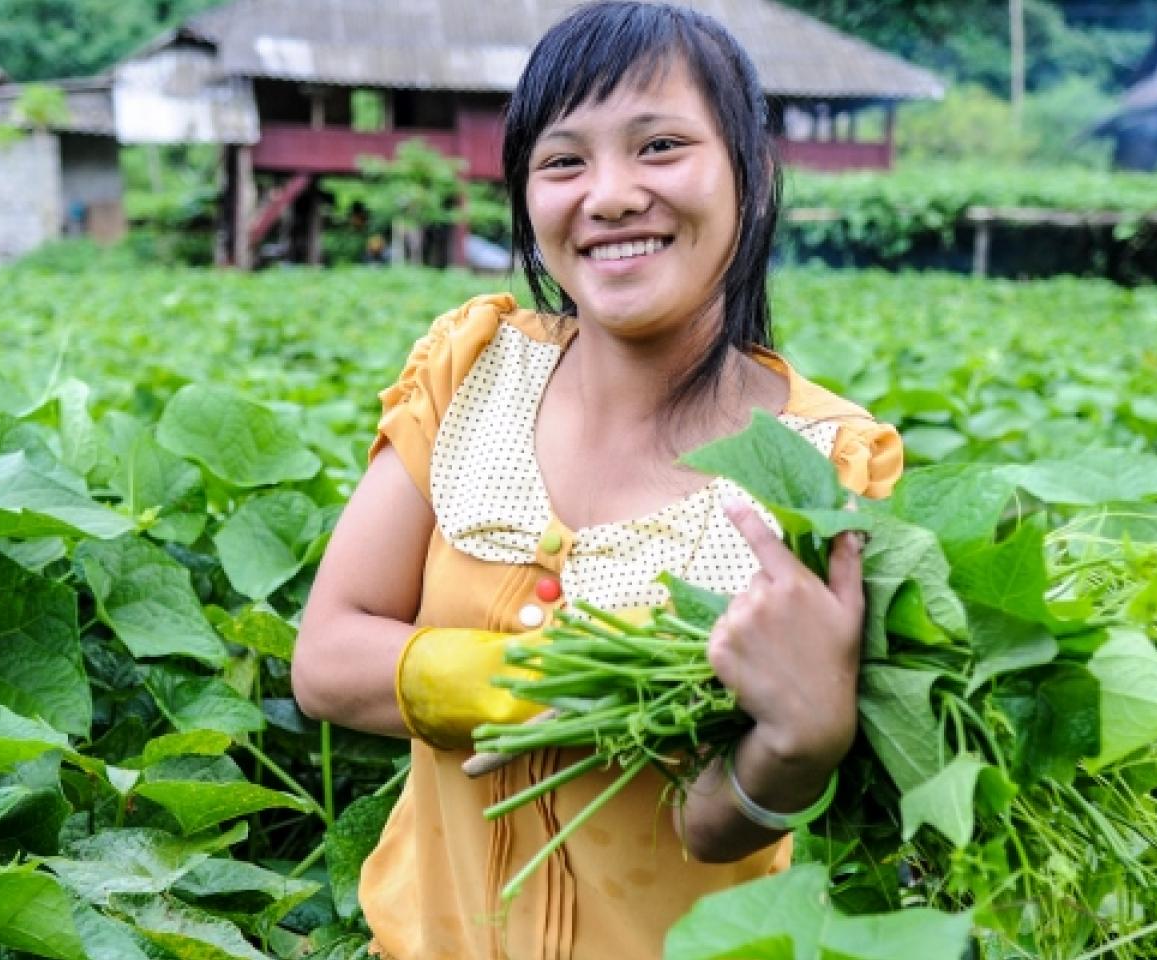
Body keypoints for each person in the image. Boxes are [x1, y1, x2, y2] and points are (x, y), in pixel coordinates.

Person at [291, 4, 902, 957]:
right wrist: (550, 689)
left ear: (752, 171)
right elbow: (327, 659)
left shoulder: (822, 468)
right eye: (564, 162)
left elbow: (712, 826)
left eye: (660, 146)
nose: (610, 196)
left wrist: (798, 744)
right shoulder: (472, 367)